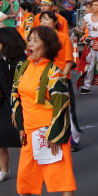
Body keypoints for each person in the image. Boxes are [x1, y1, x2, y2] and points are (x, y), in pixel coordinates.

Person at [10, 26, 77, 196]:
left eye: (35, 40)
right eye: (29, 39)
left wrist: (55, 134)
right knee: (24, 175)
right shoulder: (22, 66)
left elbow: (62, 104)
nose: (30, 43)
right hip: (30, 131)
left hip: (49, 131)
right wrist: (20, 126)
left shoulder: (54, 72)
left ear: (46, 46)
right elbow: (16, 95)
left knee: (61, 176)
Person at [40, 11, 82, 151]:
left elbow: (69, 60)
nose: (43, 22)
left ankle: (74, 139)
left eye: (46, 19)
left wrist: (62, 76)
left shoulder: (63, 37)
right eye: (41, 20)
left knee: (67, 109)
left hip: (61, 77)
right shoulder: (39, 38)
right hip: (44, 77)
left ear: (54, 22)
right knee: (46, 109)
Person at [0, 28, 26, 183]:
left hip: (21, 104)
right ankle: (4, 170)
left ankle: (29, 171)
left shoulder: (22, 61)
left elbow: (24, 88)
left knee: (21, 142)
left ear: (6, 42)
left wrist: (17, 110)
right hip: (5, 102)